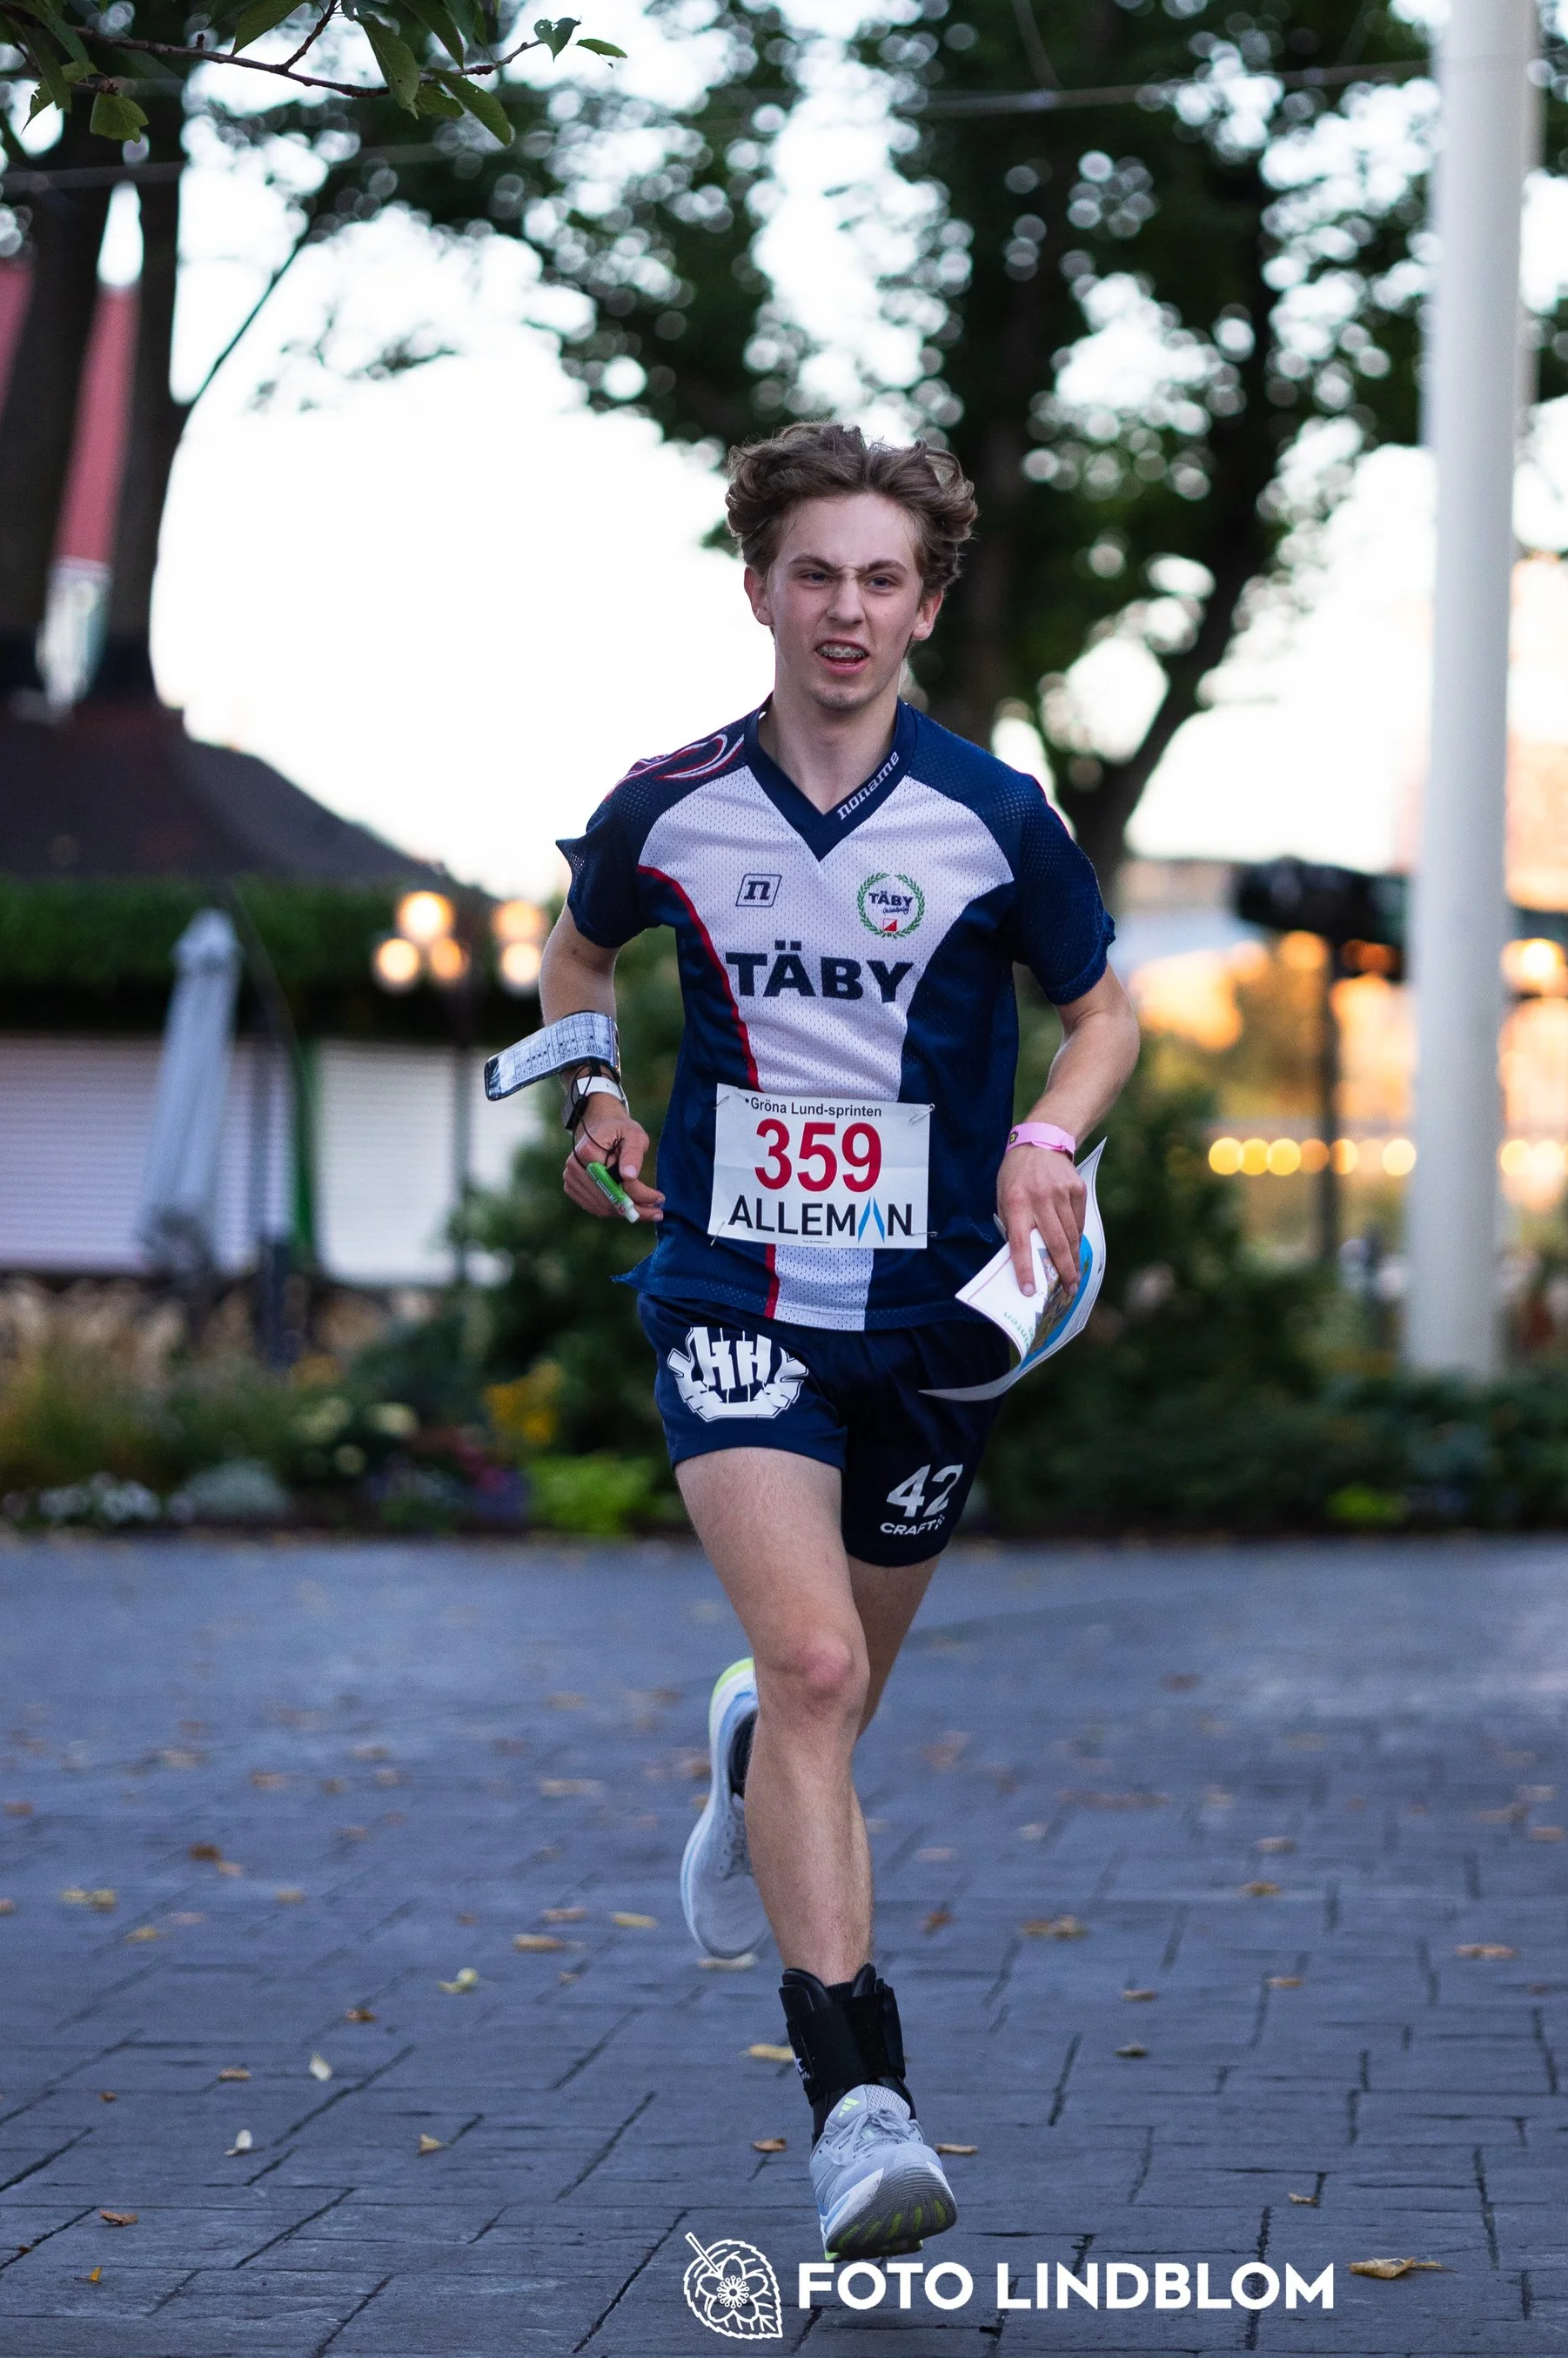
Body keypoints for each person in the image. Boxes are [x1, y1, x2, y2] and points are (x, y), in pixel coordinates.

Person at [535, 423, 1140, 2261]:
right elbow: (573, 964)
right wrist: (595, 1101)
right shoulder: (667, 803)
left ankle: (741, 1769)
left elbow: (1103, 1008)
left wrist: (1047, 1135)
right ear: (758, 587)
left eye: (883, 577)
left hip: (935, 1324)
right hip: (730, 1293)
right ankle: (856, 2102)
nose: (846, 608)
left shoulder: (989, 813)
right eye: (816, 571)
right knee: (809, 1668)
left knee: (831, 1696)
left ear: (927, 602)